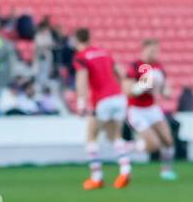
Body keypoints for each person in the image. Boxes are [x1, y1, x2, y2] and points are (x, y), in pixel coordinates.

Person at [73, 28, 131, 189]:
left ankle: (96, 176)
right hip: (118, 97)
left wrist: (81, 103)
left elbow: (82, 80)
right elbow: (121, 72)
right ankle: (125, 169)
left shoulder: (81, 57)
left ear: (76, 40)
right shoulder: (104, 52)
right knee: (115, 135)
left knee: (91, 135)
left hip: (102, 99)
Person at [125, 38, 177, 181]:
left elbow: (165, 89)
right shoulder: (136, 66)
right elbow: (128, 90)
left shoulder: (158, 67)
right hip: (136, 110)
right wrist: (143, 86)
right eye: (152, 50)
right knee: (153, 145)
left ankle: (166, 171)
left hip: (152, 108)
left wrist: (165, 91)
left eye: (157, 51)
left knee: (168, 140)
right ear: (144, 50)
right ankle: (128, 147)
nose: (155, 53)